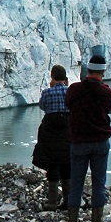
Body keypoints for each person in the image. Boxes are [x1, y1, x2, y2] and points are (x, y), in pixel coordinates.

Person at [64, 54, 111, 222]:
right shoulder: (105, 91)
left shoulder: (74, 89)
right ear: (103, 71)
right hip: (100, 143)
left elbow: (68, 103)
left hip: (78, 142)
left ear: (87, 70)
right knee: (98, 185)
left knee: (76, 186)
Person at [32, 64, 71, 211]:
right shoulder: (70, 92)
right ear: (65, 78)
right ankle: (68, 201)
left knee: (53, 165)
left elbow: (42, 106)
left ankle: (52, 202)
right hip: (67, 131)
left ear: (52, 77)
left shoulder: (47, 92)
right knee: (67, 165)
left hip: (50, 131)